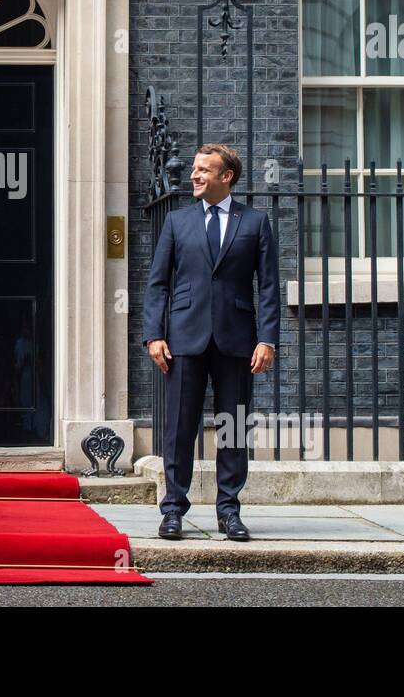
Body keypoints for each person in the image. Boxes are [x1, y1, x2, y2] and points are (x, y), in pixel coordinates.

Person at [142, 143, 279, 542]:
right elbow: (157, 284)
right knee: (179, 429)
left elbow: (268, 288)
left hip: (237, 340)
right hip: (184, 338)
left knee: (232, 428)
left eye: (204, 170)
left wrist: (267, 339)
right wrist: (154, 334)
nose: (194, 176)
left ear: (226, 176)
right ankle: (172, 511)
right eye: (195, 170)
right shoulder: (177, 222)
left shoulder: (254, 222)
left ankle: (229, 512)